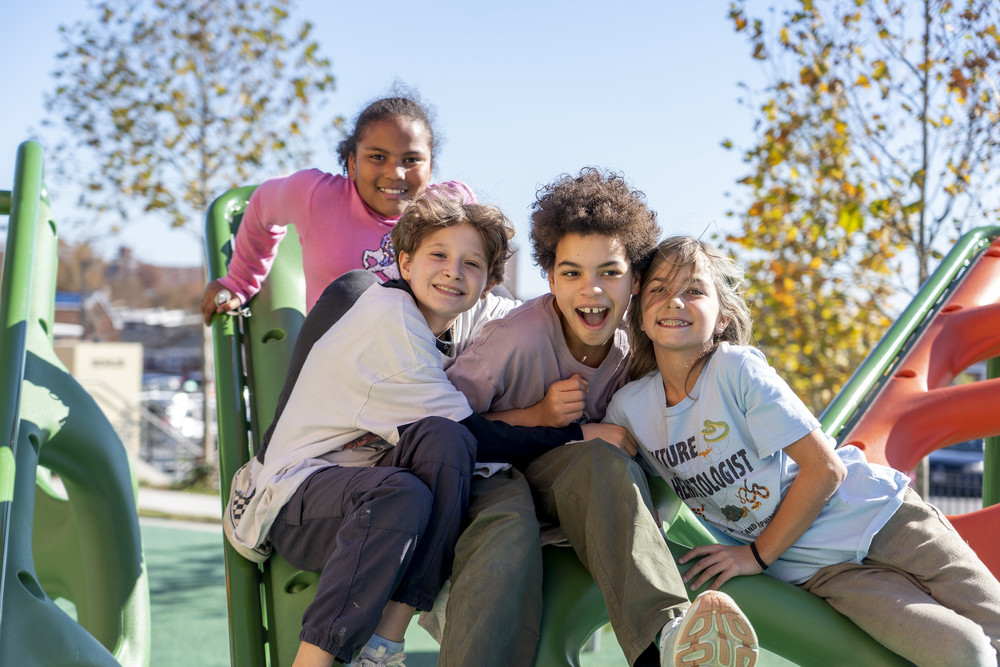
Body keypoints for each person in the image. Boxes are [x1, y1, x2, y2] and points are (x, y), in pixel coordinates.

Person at [223, 194, 626, 667]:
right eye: (438, 255)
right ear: (405, 262)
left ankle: (384, 644)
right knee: (426, 469)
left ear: (488, 281)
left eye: (471, 264)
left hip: (369, 487)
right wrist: (577, 435)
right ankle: (312, 661)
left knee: (438, 446)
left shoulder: (461, 312)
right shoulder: (388, 320)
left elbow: (531, 314)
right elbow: (482, 438)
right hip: (297, 502)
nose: (453, 271)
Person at [604, 235, 1000, 666]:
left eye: (694, 290)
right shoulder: (630, 409)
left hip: (879, 517)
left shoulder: (735, 370)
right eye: (658, 290)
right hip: (824, 574)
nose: (674, 302)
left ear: (720, 317)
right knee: (967, 652)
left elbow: (825, 470)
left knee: (994, 626)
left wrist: (756, 554)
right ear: (640, 317)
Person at [439, 169, 759, 667]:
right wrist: (545, 418)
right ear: (550, 280)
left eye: (609, 272)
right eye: (571, 273)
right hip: (490, 481)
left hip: (569, 488)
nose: (591, 290)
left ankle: (666, 643)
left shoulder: (637, 350)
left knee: (600, 461)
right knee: (512, 518)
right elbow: (446, 435)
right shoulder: (513, 342)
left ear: (635, 279)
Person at [201, 90, 476, 324]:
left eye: (412, 160)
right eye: (377, 157)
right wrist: (240, 281)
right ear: (352, 164)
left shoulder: (447, 210)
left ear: (431, 168)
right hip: (334, 364)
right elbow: (262, 204)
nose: (396, 173)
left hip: (416, 364)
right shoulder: (316, 196)